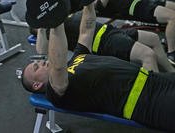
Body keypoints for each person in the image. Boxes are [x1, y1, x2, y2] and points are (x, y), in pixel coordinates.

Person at [22, 2, 175, 132]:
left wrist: (88, 4)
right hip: (148, 101)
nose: (41, 62)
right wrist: (55, 23)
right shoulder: (56, 92)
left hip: (155, 80)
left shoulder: (76, 59)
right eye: (36, 67)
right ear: (37, 84)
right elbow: (58, 66)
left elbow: (86, 31)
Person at [33, 12, 175, 72]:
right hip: (104, 42)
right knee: (147, 55)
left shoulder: (63, 14)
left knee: (153, 39)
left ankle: (171, 74)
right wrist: (41, 26)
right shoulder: (50, 30)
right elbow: (41, 50)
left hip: (112, 31)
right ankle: (154, 91)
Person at [95, 0, 175, 65]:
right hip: (132, 5)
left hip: (145, 2)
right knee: (172, 17)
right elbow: (100, 5)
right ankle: (171, 53)